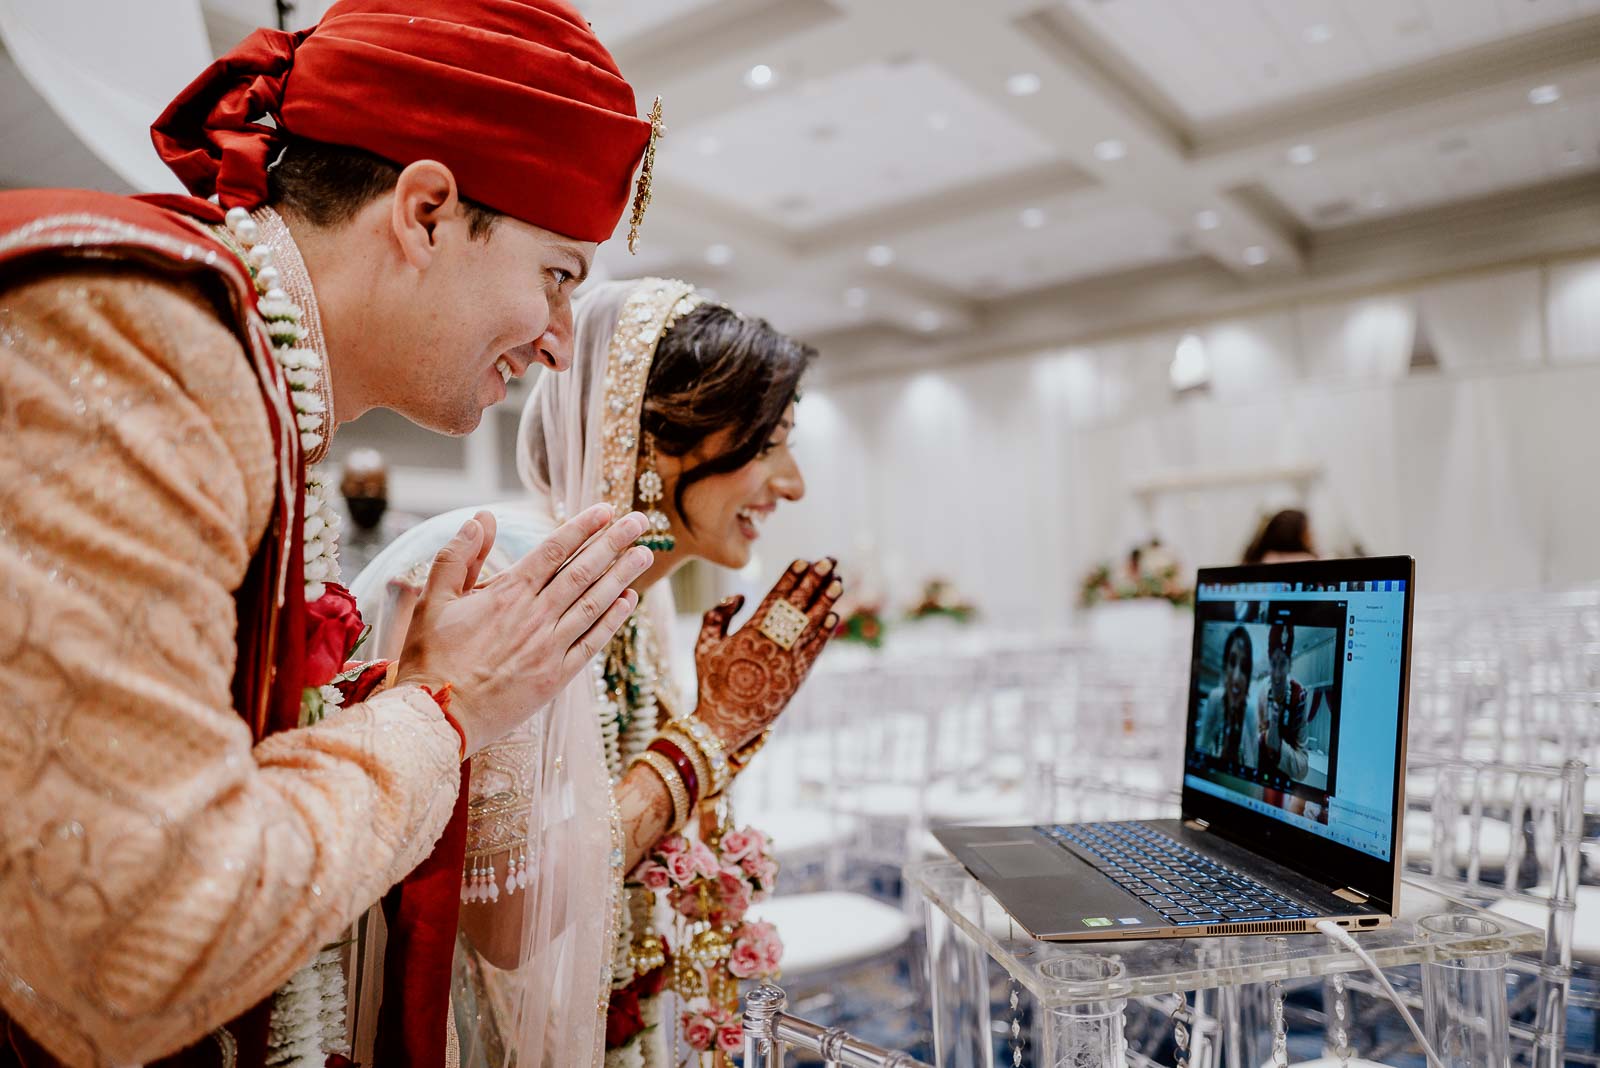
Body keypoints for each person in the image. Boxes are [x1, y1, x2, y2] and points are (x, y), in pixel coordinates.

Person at [0, 3, 663, 1064]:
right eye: (557, 277)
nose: (554, 346)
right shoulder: (137, 334)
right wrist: (446, 711)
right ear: (427, 210)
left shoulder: (246, 369)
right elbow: (135, 950)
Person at [350, 277, 839, 1066]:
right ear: (658, 438)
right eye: (768, 441)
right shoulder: (513, 567)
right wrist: (705, 739)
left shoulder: (637, 600)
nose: (792, 483)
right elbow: (506, 921)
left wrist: (720, 732)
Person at [336, 448, 422, 577]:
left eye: (378, 489)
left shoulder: (409, 535)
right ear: (342, 488)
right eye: (359, 489)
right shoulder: (329, 540)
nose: (370, 495)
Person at [1252, 622, 1310, 780]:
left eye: (1283, 663)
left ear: (1290, 665)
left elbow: (1303, 767)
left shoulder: (1300, 697)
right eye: (1273, 664)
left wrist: (1278, 748)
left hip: (1284, 778)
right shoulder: (1263, 691)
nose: (1277, 674)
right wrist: (1266, 738)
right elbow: (1253, 741)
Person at [1194, 625, 1254, 763]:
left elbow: (1251, 764)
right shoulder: (1215, 700)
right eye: (1232, 663)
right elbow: (1201, 746)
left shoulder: (1250, 713)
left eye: (1244, 668)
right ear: (1225, 668)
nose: (1237, 677)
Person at [1241, 508, 1318, 565]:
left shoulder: (1258, 559)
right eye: (1307, 530)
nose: (1311, 534)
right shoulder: (1308, 560)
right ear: (1299, 534)